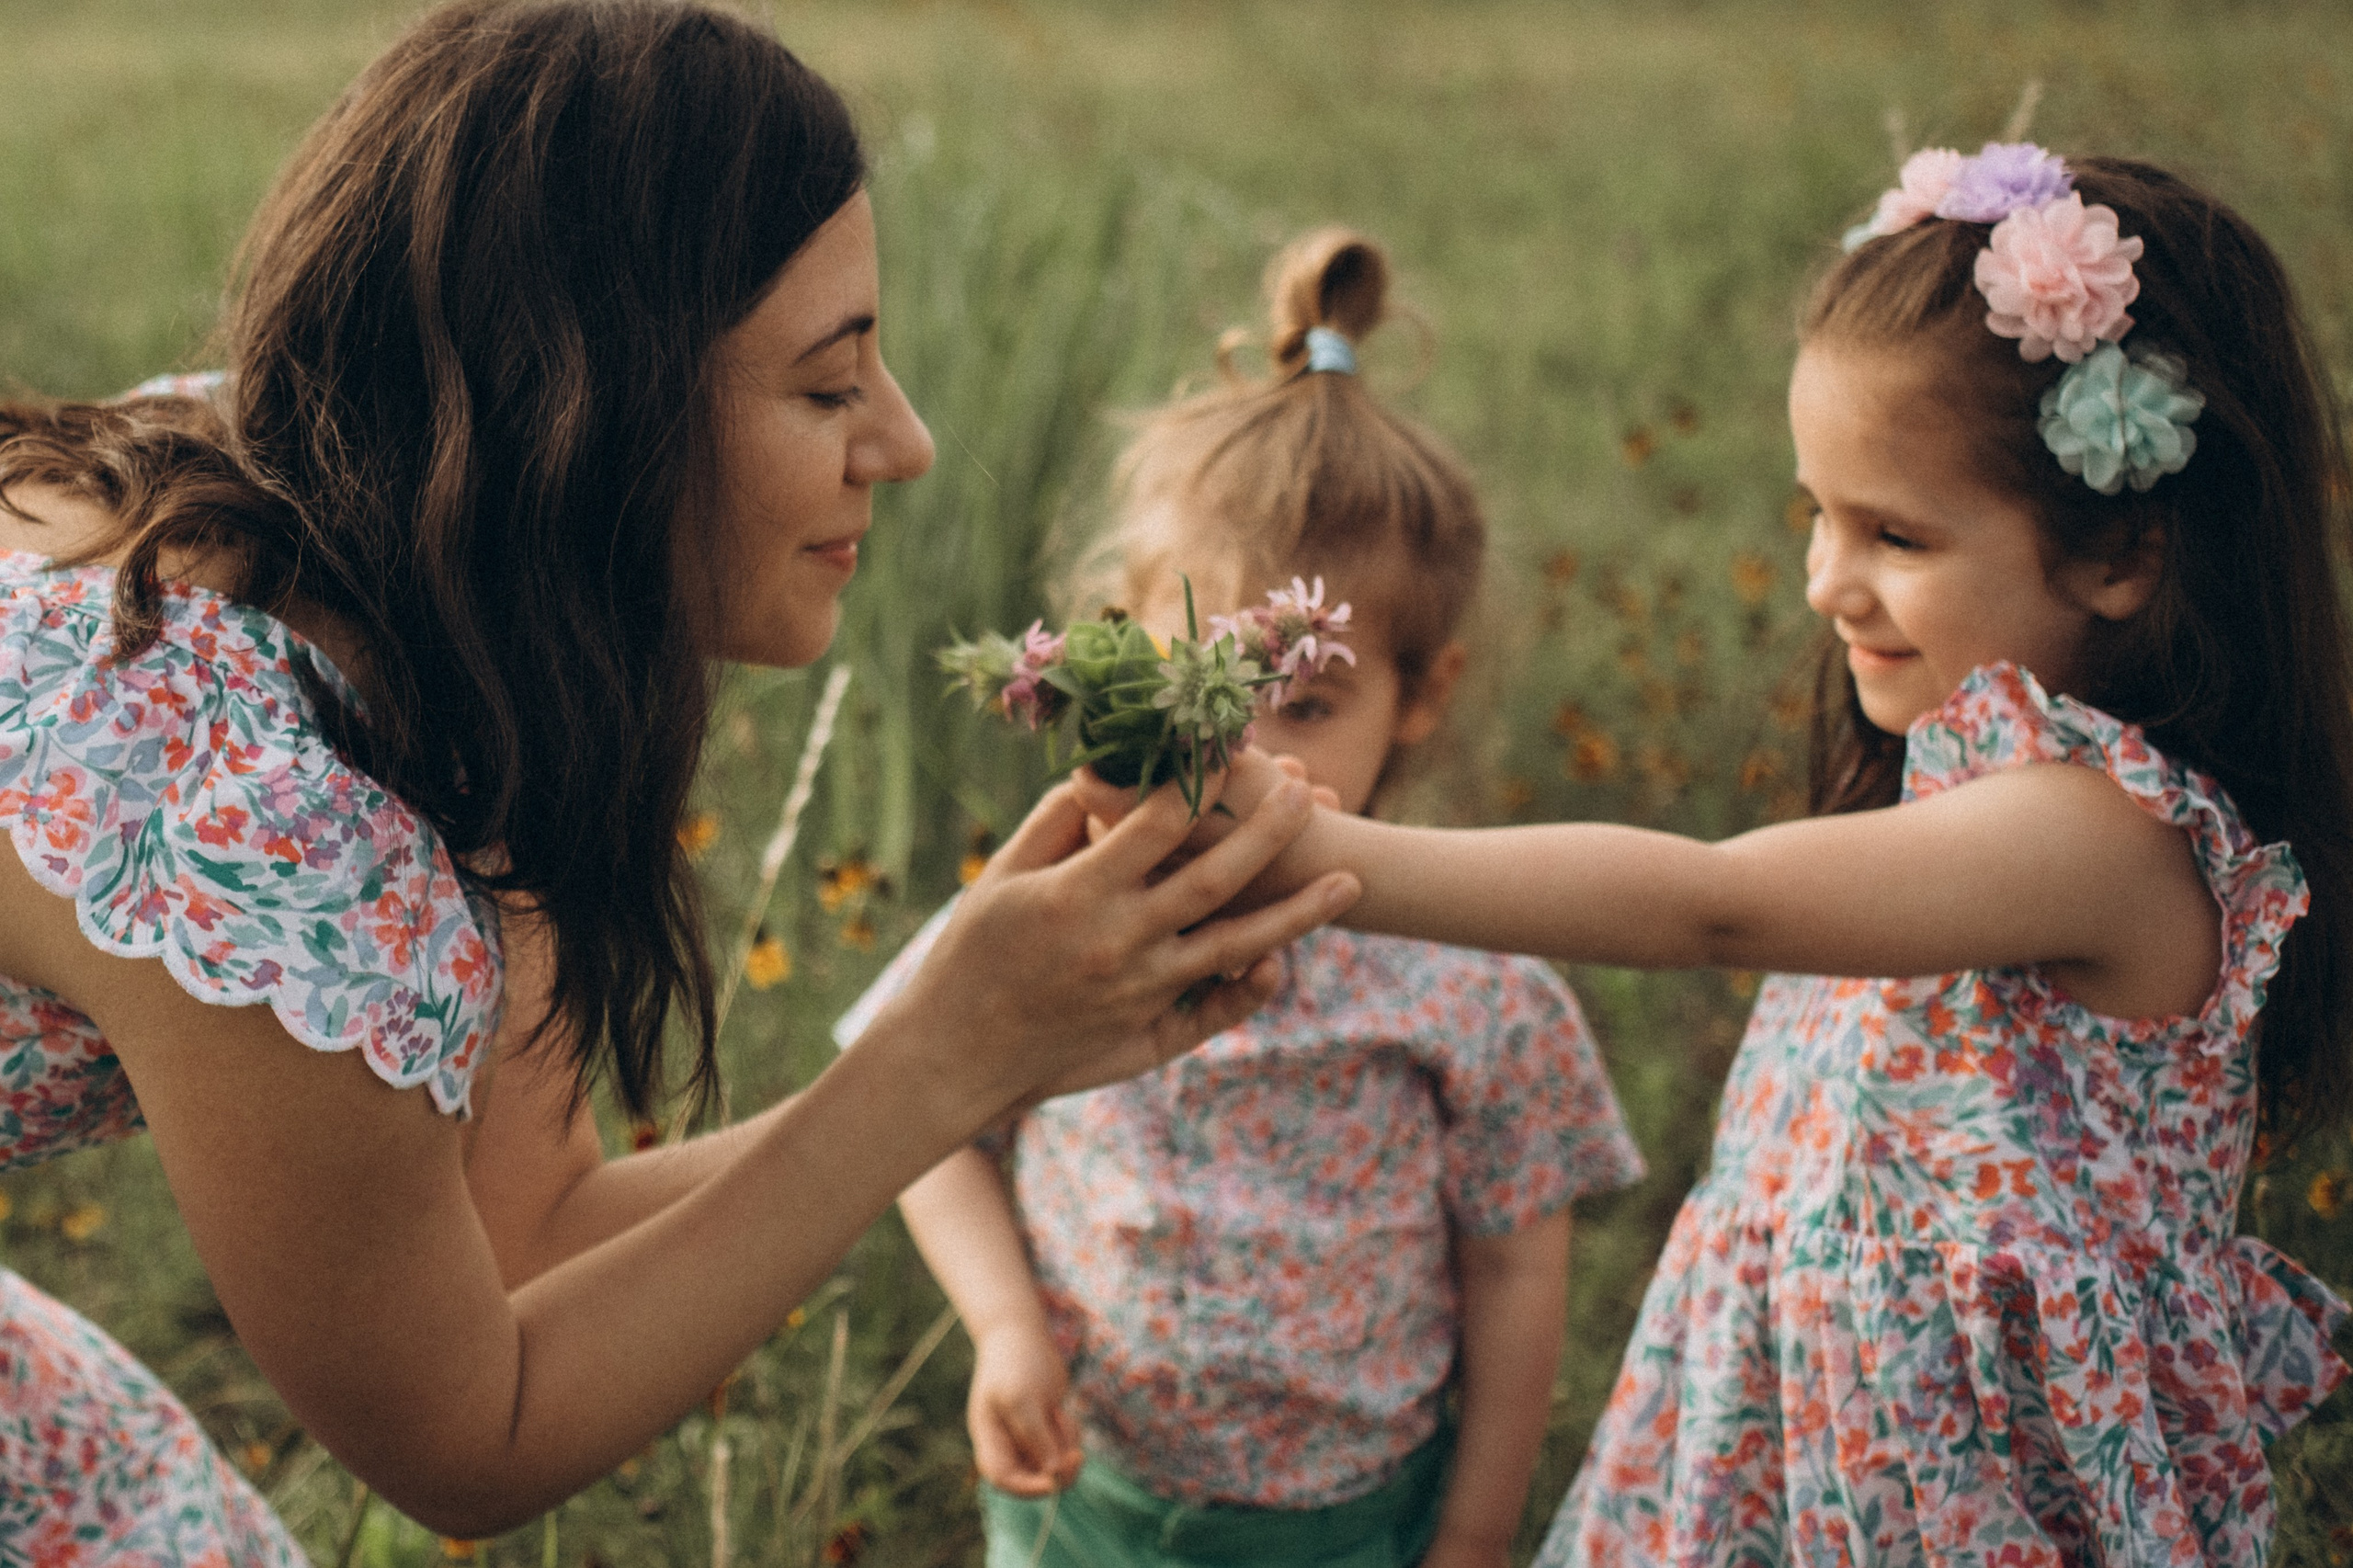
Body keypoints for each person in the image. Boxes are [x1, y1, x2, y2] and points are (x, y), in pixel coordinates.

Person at [0, 2, 1357, 1554]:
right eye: (828, 384)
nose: (904, 443)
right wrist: (933, 1060)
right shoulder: (253, 818)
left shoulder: (356, 514)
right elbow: (469, 1434)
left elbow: (529, 1235)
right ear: (589, 415)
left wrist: (1000, 1037)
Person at [1083, 148, 2353, 1566]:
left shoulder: (2098, 836)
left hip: (1966, 1499)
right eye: (1817, 512)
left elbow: (1712, 902)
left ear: (2121, 550)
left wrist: (1317, 847)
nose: (1825, 577)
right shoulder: (1972, 788)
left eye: (1894, 532)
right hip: (1805, 1444)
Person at [836, 229, 1646, 1568]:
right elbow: (917, 1111)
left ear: (1421, 695)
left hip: (1349, 1524)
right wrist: (1002, 1327)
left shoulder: (1478, 978)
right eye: (1205, 685)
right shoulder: (1063, 913)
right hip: (1084, 1502)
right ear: (1115, 657)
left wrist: (1478, 1531)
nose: (1255, 751)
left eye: (1311, 700)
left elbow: (1515, 1267)